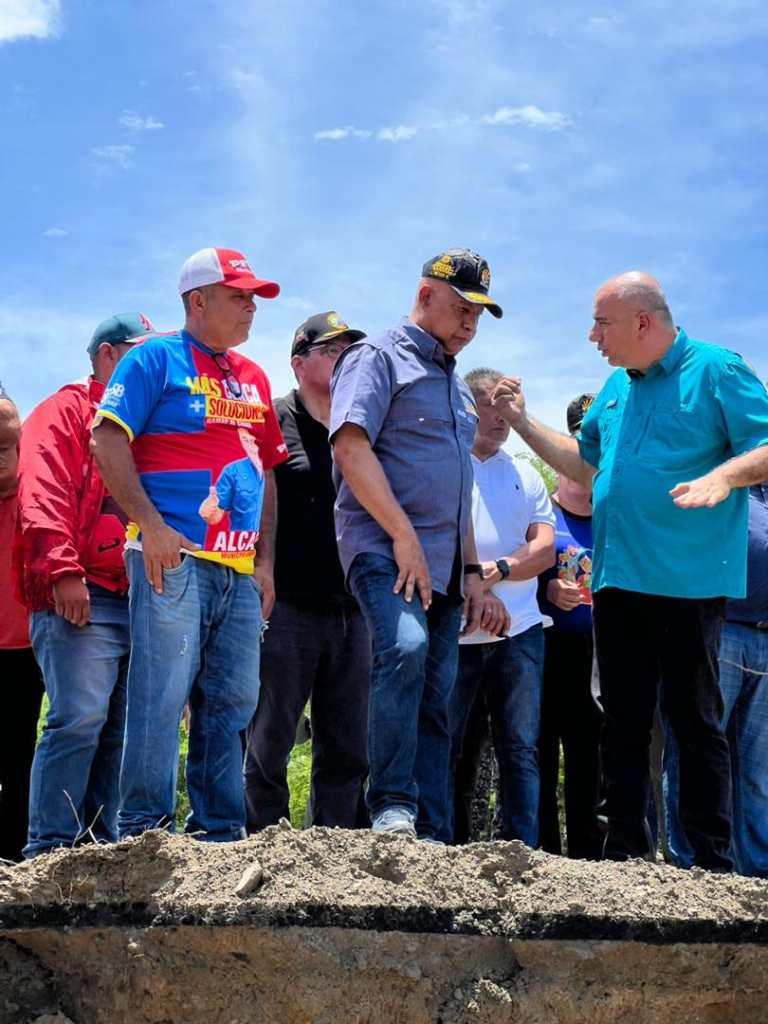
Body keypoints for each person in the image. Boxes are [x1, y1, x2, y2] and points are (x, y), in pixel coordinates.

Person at [491, 271, 768, 870]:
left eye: (601, 323)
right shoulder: (615, 386)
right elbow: (584, 463)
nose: (592, 336)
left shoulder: (717, 369)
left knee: (695, 722)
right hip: (616, 583)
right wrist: (522, 422)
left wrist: (724, 476)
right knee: (620, 721)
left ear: (642, 322)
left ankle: (712, 862)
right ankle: (624, 856)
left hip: (687, 582)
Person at [91, 247, 287, 842]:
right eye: (239, 295)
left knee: (233, 701)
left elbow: (266, 469)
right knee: (161, 695)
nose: (251, 306)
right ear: (197, 301)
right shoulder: (154, 357)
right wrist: (150, 526)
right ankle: (145, 831)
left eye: (254, 297)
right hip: (171, 560)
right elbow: (106, 439)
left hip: (239, 569)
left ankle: (219, 832)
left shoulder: (254, 376)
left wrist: (265, 561)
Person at [330, 248, 501, 840]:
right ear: (425, 296)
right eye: (462, 309)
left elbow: (460, 486)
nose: (470, 324)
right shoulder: (376, 357)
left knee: (436, 692)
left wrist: (473, 572)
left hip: (446, 565)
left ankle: (431, 828)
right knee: (403, 650)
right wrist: (402, 535)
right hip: (384, 549)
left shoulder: (458, 389)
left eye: (478, 315)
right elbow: (350, 446)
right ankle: (391, 807)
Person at [16, 315, 153, 856]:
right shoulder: (63, 410)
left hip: (136, 593)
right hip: (81, 591)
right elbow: (41, 490)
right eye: (137, 352)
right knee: (78, 718)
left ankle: (100, 849)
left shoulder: (144, 418)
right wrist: (63, 571)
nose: (149, 364)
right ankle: (50, 848)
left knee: (118, 728)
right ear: (106, 355)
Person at [243, 311, 372, 831]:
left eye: (351, 352)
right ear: (298, 363)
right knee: (269, 738)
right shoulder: (271, 418)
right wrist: (260, 569)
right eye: (333, 350)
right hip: (287, 605)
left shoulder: (360, 426)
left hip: (354, 608)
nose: (344, 360)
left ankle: (335, 851)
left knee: (349, 746)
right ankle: (262, 844)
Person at [441, 367, 554, 846]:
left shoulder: (526, 475)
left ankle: (520, 851)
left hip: (520, 634)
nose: (503, 415)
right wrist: (476, 590)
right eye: (492, 404)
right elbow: (434, 541)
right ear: (467, 407)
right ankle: (442, 848)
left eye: (510, 404)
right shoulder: (445, 466)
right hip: (455, 631)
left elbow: (544, 550)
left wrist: (495, 572)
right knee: (446, 746)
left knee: (520, 749)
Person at [664, 482, 768, 878]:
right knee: (695, 752)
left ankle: (757, 873)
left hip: (764, 637)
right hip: (716, 630)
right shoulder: (712, 475)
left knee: (757, 771)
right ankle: (690, 865)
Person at [537, 393, 603, 860]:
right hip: (544, 652)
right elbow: (513, 574)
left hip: (598, 657)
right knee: (538, 754)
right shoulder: (542, 513)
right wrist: (546, 590)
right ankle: (541, 854)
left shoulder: (613, 519)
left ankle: (589, 861)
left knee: (590, 761)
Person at [0, 386, 44, 862]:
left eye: (9, 444)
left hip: (29, 648)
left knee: (20, 757)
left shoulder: (39, 491)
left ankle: (12, 860)